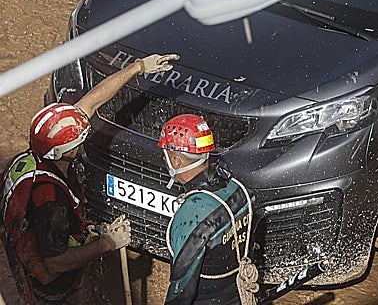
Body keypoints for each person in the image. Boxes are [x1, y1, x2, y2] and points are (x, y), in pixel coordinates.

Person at [2, 53, 178, 305]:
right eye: (80, 139)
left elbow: (92, 102)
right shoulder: (51, 201)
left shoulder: (31, 158)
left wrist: (138, 68)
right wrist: (107, 243)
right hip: (52, 289)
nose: (84, 139)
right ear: (67, 150)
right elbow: (57, 262)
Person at [161, 114, 253, 305]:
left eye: (166, 155)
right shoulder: (237, 188)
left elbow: (182, 292)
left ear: (176, 161)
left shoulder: (191, 218)